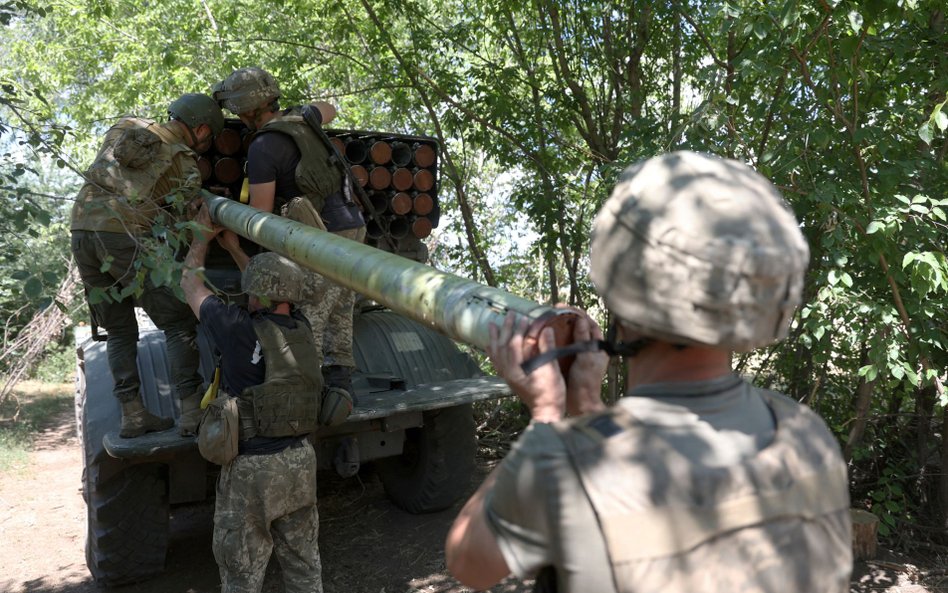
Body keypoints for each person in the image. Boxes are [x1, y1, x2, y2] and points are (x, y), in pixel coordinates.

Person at [445, 151, 853, 592]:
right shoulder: (805, 432)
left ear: (622, 282)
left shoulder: (563, 464)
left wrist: (546, 416)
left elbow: (469, 561)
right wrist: (584, 404)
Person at [180, 205, 323, 593]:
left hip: (253, 471)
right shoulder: (302, 328)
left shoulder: (237, 329)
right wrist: (237, 250)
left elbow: (191, 287)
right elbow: (272, 286)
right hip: (300, 461)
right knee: (304, 566)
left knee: (241, 574)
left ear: (256, 291)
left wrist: (201, 240)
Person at [71, 93, 225, 438]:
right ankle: (190, 411)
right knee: (178, 320)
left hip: (81, 230)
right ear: (200, 128)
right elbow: (186, 215)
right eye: (209, 135)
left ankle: (133, 414)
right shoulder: (184, 160)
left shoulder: (124, 127)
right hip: (126, 236)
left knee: (120, 330)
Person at [212, 67, 366, 402]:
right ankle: (340, 386)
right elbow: (330, 107)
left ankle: (304, 396)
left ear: (246, 110)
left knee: (306, 318)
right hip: (354, 228)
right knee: (341, 307)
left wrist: (234, 237)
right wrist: (305, 112)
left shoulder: (264, 146)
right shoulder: (302, 118)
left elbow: (262, 218)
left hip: (320, 240)